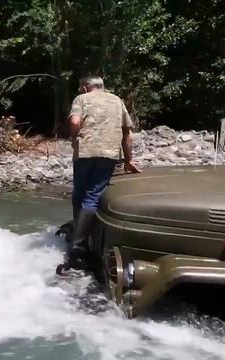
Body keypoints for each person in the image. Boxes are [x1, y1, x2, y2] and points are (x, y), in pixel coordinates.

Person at [60, 75, 141, 271]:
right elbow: (127, 135)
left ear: (86, 87)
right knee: (93, 197)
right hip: (109, 154)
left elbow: (74, 121)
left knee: (80, 195)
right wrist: (129, 160)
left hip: (86, 151)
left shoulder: (82, 99)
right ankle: (85, 237)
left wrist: (74, 137)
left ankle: (77, 247)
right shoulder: (117, 100)